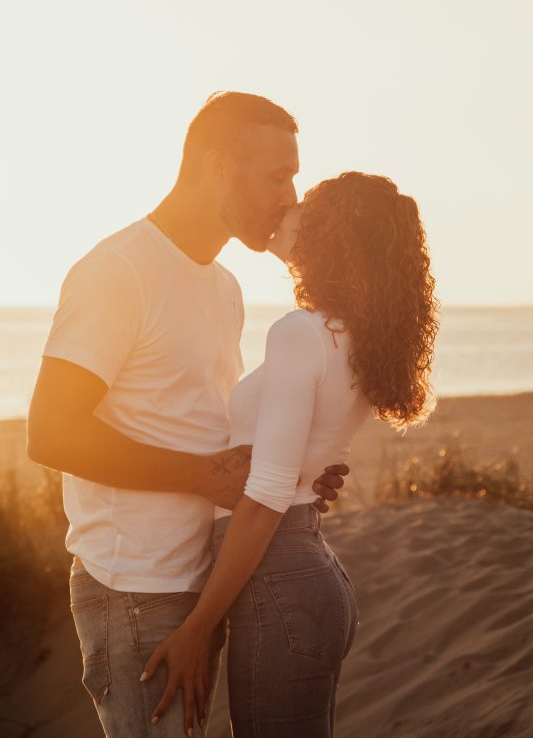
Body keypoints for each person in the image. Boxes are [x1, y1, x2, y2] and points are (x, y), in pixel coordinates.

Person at [26, 92, 349, 738]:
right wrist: (202, 476)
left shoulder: (224, 287)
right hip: (133, 590)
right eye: (276, 175)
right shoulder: (118, 270)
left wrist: (297, 471)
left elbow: (206, 424)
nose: (291, 196)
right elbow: (50, 430)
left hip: (202, 584)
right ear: (217, 166)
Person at [142, 171, 439, 737]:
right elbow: (304, 458)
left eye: (305, 207)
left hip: (280, 578)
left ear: (331, 234)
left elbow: (269, 492)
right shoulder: (355, 334)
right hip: (304, 572)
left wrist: (198, 627)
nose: (287, 209)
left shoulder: (301, 332)